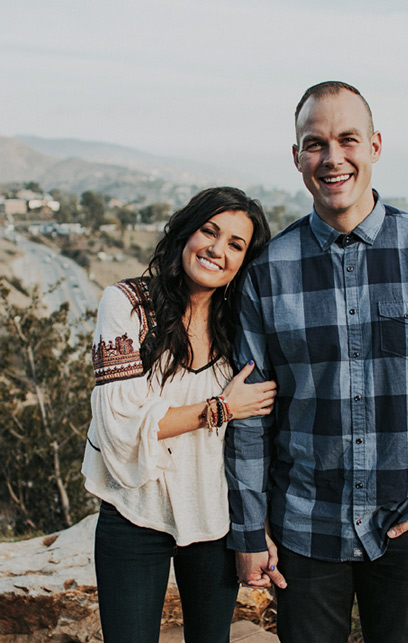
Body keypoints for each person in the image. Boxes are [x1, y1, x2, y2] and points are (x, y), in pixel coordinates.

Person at [225, 80, 408, 642]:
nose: (332, 158)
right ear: (297, 157)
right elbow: (250, 419)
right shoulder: (266, 273)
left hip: (406, 521)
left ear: (375, 145)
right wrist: (251, 529)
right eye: (315, 143)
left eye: (347, 139)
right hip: (304, 527)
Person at [82, 186, 276, 643]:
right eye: (209, 231)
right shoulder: (127, 304)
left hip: (213, 518)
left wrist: (257, 530)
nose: (217, 249)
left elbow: (259, 438)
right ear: (185, 232)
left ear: (244, 262)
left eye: (235, 244)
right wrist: (222, 408)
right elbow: (119, 426)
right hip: (133, 514)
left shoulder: (241, 329)